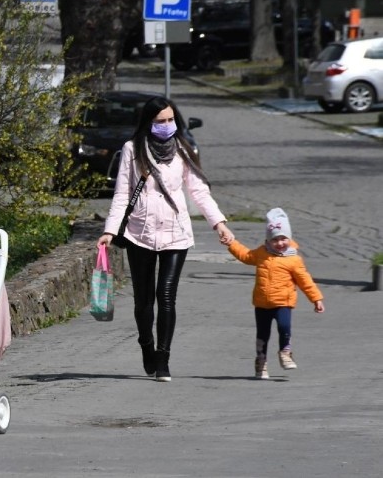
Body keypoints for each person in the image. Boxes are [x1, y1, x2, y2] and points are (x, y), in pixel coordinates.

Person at [97, 96, 234, 382]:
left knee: (167, 296)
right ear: (149, 123)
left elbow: (199, 192)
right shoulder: (132, 150)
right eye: (161, 121)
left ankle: (163, 358)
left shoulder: (183, 149)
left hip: (176, 234)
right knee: (144, 301)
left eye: (171, 120)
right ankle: (146, 344)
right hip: (139, 234)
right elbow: (122, 194)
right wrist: (110, 230)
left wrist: (219, 223)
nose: (167, 126)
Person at [226, 208, 325, 379]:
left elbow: (305, 280)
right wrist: (231, 243)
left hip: (283, 303)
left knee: (284, 327)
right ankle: (261, 362)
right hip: (262, 303)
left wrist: (316, 299)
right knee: (263, 334)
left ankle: (285, 353)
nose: (280, 243)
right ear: (267, 241)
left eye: (283, 238)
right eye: (275, 240)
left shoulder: (294, 260)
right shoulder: (261, 254)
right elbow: (246, 256)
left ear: (290, 239)